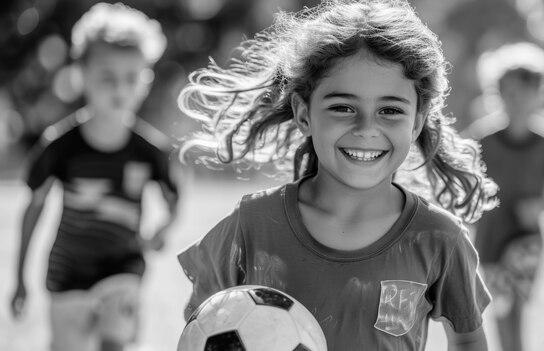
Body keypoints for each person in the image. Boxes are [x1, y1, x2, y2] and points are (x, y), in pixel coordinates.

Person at [177, 1, 498, 350]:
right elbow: (203, 326)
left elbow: (468, 340)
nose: (366, 128)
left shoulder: (439, 238)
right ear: (304, 114)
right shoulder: (251, 225)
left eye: (390, 110)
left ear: (417, 121)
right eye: (343, 108)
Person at [10, 3, 179, 351]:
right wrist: (19, 277)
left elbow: (174, 195)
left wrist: (164, 226)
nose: (119, 88)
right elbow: (33, 208)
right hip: (67, 273)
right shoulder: (59, 147)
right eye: (107, 77)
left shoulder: (150, 151)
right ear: (81, 74)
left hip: (124, 268)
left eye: (131, 77)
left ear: (145, 80)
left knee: (113, 344)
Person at [466, 42, 544, 351]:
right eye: (510, 92)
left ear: (542, 93)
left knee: (514, 308)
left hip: (528, 240)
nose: (518, 101)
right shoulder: (481, 139)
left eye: (527, 92)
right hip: (490, 237)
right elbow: (461, 180)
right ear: (497, 93)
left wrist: (543, 204)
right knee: (501, 309)